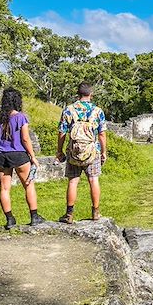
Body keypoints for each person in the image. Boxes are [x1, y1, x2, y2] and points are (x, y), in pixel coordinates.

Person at [0, 88, 46, 229]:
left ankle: (10, 219)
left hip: (1, 155)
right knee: (28, 185)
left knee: (4, 189)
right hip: (19, 155)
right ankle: (34, 216)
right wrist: (33, 157)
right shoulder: (21, 117)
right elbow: (25, 139)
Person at [56, 82, 107, 223]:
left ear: (77, 94)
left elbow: (62, 133)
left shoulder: (68, 110)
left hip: (74, 151)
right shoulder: (98, 111)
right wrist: (103, 152)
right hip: (92, 151)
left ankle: (69, 214)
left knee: (73, 181)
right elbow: (102, 134)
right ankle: (96, 212)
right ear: (91, 94)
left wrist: (59, 151)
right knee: (93, 180)